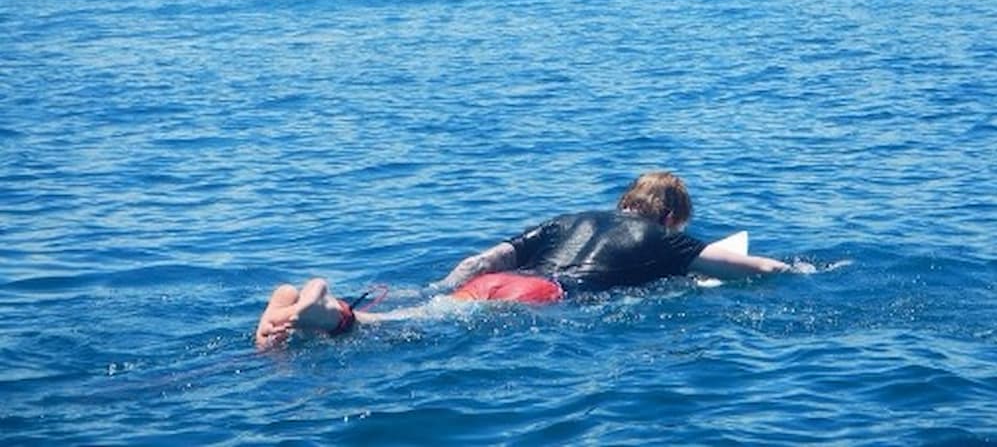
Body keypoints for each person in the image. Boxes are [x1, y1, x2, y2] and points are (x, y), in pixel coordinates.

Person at [255, 171, 793, 349]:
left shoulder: (568, 219)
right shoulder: (671, 242)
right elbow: (754, 270)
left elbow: (481, 260)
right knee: (392, 332)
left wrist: (441, 287)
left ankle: (301, 306)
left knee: (414, 316)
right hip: (543, 297)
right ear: (673, 216)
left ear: (625, 201)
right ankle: (328, 312)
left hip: (503, 280)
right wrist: (800, 271)